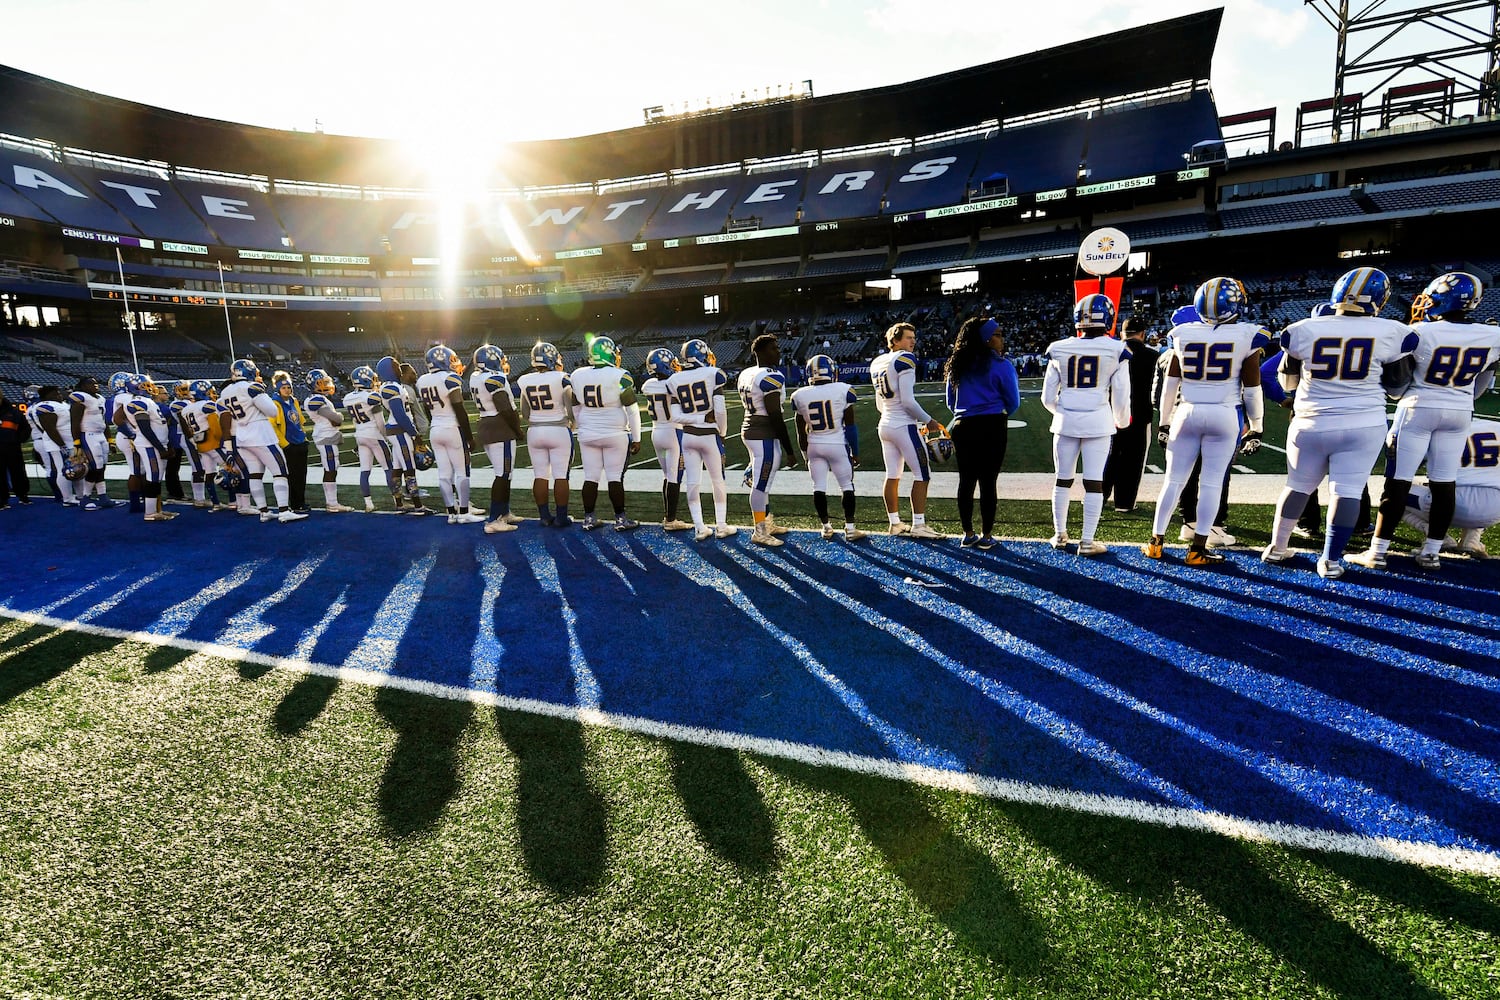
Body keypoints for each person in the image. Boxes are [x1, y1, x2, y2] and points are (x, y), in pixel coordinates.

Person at [1262, 267, 1418, 578]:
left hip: (1310, 421)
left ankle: (1277, 547)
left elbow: (1289, 382)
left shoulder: (1303, 329)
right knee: (1347, 490)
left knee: (1297, 486)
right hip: (1363, 423)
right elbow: (1397, 388)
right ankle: (1330, 561)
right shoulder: (1393, 332)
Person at [1352, 272, 1500, 570]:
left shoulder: (1419, 331)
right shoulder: (1492, 334)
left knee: (1398, 483)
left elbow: (1395, 387)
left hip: (1418, 407)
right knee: (1445, 483)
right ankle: (1431, 552)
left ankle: (1377, 552)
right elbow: (1485, 376)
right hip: (1459, 411)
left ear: (1442, 298)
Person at [1142, 278, 1268, 566]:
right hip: (1224, 413)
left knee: (1172, 481)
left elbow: (1171, 384)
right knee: (1211, 483)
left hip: (1187, 412)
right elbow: (1252, 388)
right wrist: (1257, 425)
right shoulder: (1248, 335)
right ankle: (1197, 549)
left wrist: (1164, 421)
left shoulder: (1182, 333)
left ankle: (1155, 544)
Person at [1041, 294, 1133, 554]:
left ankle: (1059, 535)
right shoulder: (1117, 349)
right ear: (1108, 318)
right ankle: (1087, 541)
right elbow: (1121, 394)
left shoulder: (1058, 347)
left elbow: (1048, 398)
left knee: (1062, 480)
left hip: (1065, 422)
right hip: (1098, 422)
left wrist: (1067, 411)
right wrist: (1121, 421)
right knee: (1094, 483)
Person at [943, 316, 1020, 548]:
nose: (1001, 339)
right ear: (986, 339)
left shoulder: (957, 365)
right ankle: (987, 536)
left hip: (963, 426)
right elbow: (1013, 402)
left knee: (966, 481)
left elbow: (950, 402)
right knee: (988, 482)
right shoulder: (1001, 365)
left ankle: (967, 533)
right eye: (997, 334)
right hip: (992, 426)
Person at [869, 321, 944, 538]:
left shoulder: (877, 361)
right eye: (908, 337)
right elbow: (909, 402)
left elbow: (879, 403)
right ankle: (919, 525)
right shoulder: (904, 359)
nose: (913, 341)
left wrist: (891, 417)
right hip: (903, 425)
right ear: (894, 340)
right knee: (923, 475)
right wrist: (928, 420)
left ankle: (894, 523)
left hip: (885, 424)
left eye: (914, 337)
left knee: (892, 475)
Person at [219, 358, 308, 524]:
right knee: (280, 471)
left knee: (255, 474)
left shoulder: (225, 392)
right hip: (260, 434)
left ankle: (264, 511)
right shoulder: (252, 387)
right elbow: (272, 411)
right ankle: (283, 511)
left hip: (242, 436)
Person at [667, 338, 736, 541]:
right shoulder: (713, 374)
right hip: (709, 436)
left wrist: (696, 419)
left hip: (688, 436)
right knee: (718, 481)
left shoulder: (674, 380)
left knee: (692, 482)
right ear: (702, 355)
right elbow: (720, 410)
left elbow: (673, 416)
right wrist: (721, 431)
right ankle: (721, 526)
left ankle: (699, 527)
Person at [1402, 416, 1500, 558]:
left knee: (1393, 495)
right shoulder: (1495, 426)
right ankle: (1471, 541)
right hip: (1495, 511)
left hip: (1449, 505)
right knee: (1483, 485)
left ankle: (1437, 536)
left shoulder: (1439, 431)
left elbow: (1408, 468)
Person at [570, 335, 641, 531]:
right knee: (614, 477)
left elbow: (575, 405)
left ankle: (589, 518)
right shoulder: (620, 375)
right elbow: (632, 409)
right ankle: (620, 519)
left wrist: (580, 425)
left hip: (588, 434)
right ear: (609, 353)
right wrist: (636, 438)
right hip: (614, 434)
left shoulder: (577, 375)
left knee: (590, 477)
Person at [791, 354, 865, 541]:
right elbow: (851, 427)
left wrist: (805, 453)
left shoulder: (799, 395)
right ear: (831, 371)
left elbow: (800, 431)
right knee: (847, 486)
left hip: (815, 445)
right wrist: (855, 452)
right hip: (837, 444)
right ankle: (850, 528)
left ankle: (826, 527)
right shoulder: (843, 390)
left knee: (818, 487)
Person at [738, 333, 800, 546]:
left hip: (750, 428)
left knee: (762, 482)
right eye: (774, 348)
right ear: (761, 352)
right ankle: (760, 531)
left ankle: (766, 523)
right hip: (763, 432)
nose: (778, 352)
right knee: (761, 485)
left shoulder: (747, 373)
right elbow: (775, 414)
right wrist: (790, 449)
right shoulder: (771, 376)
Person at [417, 345, 485, 525]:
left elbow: (426, 407)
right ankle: (463, 512)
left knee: (444, 474)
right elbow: (459, 408)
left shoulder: (423, 380)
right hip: (451, 428)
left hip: (435, 429)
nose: (455, 364)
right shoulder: (450, 378)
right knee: (462, 472)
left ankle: (451, 513)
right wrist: (469, 436)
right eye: (452, 360)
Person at [1102, 318, 1159, 512]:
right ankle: (1124, 502)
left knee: (1107, 456)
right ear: (1142, 334)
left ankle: (1097, 496)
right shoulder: (1153, 356)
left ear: (1121, 334)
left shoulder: (1111, 352)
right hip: (1140, 415)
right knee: (1133, 460)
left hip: (1110, 414)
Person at [516, 342, 575, 527]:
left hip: (535, 431)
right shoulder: (562, 378)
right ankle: (561, 518)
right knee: (560, 476)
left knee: (540, 475)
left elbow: (524, 412)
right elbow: (571, 408)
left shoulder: (524, 380)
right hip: (558, 429)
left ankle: (544, 516)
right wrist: (572, 422)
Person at [469, 345, 524, 533]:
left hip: (486, 425)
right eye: (500, 359)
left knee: (504, 474)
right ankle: (494, 519)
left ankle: (504, 512)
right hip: (500, 428)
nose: (503, 363)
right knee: (502, 475)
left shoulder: (476, 376)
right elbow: (505, 407)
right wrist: (517, 429)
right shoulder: (495, 378)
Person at [343, 365, 405, 514]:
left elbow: (354, 420)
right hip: (374, 435)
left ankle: (368, 503)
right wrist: (387, 437)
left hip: (360, 435)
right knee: (388, 468)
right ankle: (398, 501)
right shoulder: (371, 397)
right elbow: (380, 423)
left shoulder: (348, 398)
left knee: (365, 470)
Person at [642, 347, 690, 531]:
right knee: (674, 477)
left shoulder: (648, 385)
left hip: (656, 432)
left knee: (667, 476)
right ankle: (671, 520)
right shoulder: (675, 382)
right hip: (673, 432)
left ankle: (668, 516)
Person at [376, 355, 427, 512]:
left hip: (396, 430)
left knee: (397, 468)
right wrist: (415, 435)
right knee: (409, 468)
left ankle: (399, 504)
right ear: (388, 370)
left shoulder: (391, 386)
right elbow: (399, 414)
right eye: (396, 367)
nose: (399, 369)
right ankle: (418, 505)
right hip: (400, 431)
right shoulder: (392, 387)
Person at [123, 375, 175, 521]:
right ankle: (150, 513)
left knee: (156, 478)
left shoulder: (147, 401)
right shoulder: (136, 402)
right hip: (149, 445)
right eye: (147, 384)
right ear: (138, 387)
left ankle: (157, 509)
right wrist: (160, 448)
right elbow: (145, 428)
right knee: (153, 478)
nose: (151, 387)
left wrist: (166, 445)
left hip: (157, 444)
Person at [303, 369, 353, 513]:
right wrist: (338, 417)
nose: (327, 384)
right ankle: (332, 503)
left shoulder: (320, 399)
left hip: (327, 434)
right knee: (330, 468)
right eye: (323, 382)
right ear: (314, 385)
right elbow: (336, 420)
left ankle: (332, 502)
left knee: (332, 467)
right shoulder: (316, 400)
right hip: (326, 436)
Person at [177, 379, 230, 510]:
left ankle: (216, 503)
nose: (212, 393)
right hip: (213, 443)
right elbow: (216, 429)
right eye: (209, 391)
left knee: (209, 473)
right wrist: (223, 441)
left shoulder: (186, 410)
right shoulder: (206, 405)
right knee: (231, 468)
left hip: (201, 444)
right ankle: (235, 501)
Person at [68, 374, 116, 509]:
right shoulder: (80, 398)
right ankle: (85, 498)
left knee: (102, 467)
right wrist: (77, 442)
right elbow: (75, 422)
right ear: (83, 386)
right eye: (91, 383)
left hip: (100, 435)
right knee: (95, 467)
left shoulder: (100, 398)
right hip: (88, 435)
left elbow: (103, 421)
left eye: (96, 383)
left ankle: (102, 496)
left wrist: (110, 439)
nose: (95, 385)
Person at [27, 386, 78, 508]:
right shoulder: (44, 407)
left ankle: (75, 495)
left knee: (75, 469)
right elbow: (49, 428)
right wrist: (62, 445)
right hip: (56, 443)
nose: (59, 395)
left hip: (68, 441)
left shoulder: (60, 405)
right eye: (55, 393)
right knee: (62, 470)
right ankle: (66, 498)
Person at [271, 371, 310, 513]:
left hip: (300, 442)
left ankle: (301, 502)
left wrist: (304, 438)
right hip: (289, 445)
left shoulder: (294, 401)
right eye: (284, 387)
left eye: (289, 387)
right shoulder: (275, 403)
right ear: (278, 389)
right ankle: (294, 504)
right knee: (292, 476)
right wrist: (285, 444)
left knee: (302, 475)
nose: (287, 390)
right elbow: (273, 426)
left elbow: (299, 420)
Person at [0, 384, 30, 508]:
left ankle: (23, 495)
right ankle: (2, 499)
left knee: (18, 472)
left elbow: (25, 428)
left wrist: (18, 439)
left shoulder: (13, 411)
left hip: (12, 447)